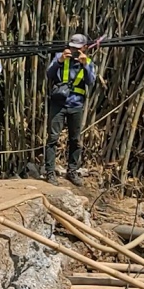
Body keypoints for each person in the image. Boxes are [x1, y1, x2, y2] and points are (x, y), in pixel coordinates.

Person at [45, 33, 96, 187]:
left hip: (76, 105)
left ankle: (72, 171)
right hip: (58, 103)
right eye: (72, 47)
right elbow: (49, 74)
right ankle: (50, 173)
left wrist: (85, 65)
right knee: (52, 139)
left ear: (85, 48)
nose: (73, 51)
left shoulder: (88, 62)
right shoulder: (60, 56)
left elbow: (91, 81)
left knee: (75, 140)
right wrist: (60, 61)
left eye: (77, 49)